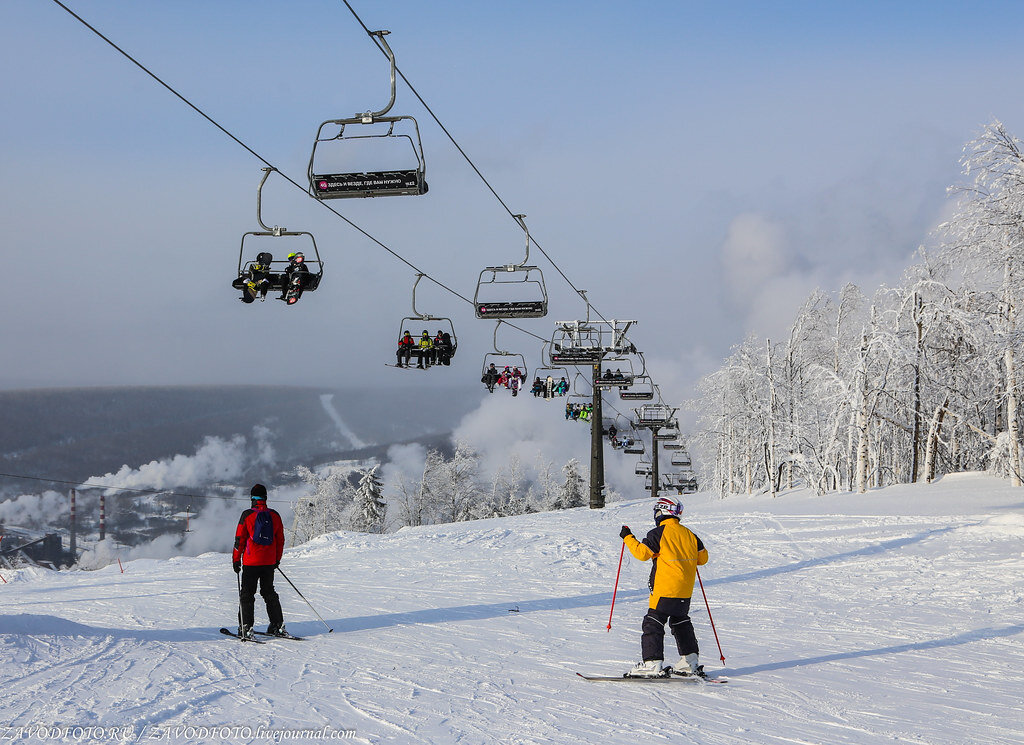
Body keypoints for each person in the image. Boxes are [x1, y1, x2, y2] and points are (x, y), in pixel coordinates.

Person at [619, 497, 708, 678]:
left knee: (654, 622)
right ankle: (689, 662)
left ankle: (652, 663)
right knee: (680, 622)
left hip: (665, 588)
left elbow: (642, 553)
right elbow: (703, 559)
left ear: (662, 512)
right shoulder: (690, 534)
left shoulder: (658, 533)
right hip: (684, 591)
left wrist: (628, 537)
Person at [232, 484, 287, 640]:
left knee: (247, 594)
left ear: (252, 498)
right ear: (265, 498)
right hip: (269, 562)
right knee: (269, 592)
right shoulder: (274, 515)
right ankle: (278, 625)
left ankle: (246, 627)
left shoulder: (247, 515)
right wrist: (277, 559)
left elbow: (239, 540)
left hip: (251, 562)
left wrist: (236, 560)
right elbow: (280, 540)